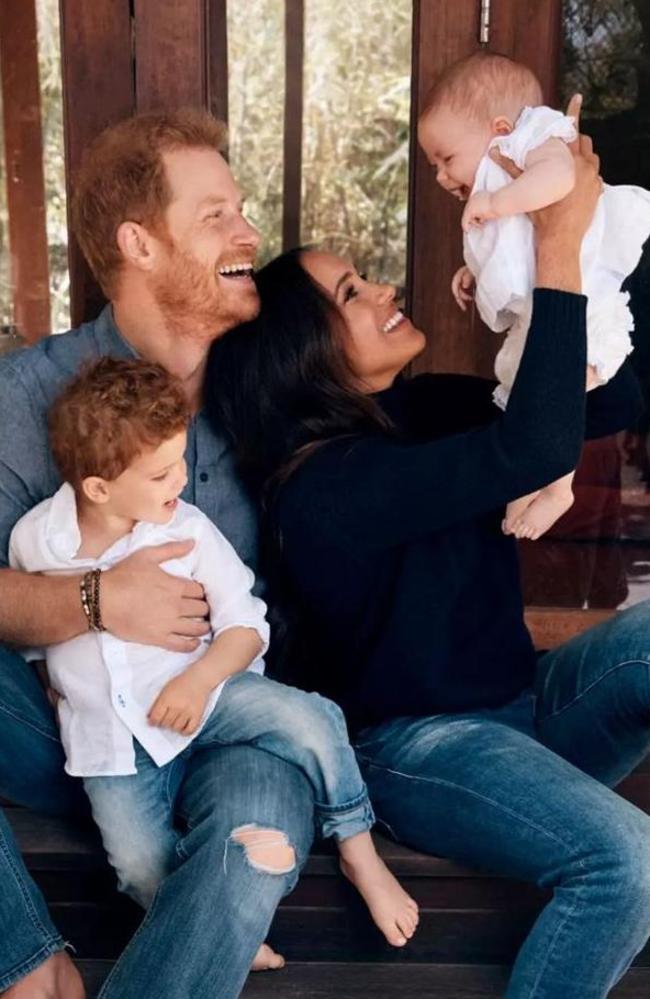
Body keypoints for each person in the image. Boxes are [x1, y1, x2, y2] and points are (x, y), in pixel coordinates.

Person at [205, 134, 650, 999]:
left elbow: (614, 400)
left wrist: (597, 236)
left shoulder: (422, 409)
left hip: (524, 709)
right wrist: (552, 238)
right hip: (420, 749)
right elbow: (531, 445)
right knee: (625, 859)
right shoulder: (323, 486)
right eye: (351, 292)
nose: (384, 291)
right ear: (304, 350)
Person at [0, 108, 315, 999]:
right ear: (138, 243)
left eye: (241, 208)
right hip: (87, 739)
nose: (248, 230)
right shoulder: (26, 397)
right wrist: (97, 601)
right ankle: (27, 965)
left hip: (238, 725)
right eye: (215, 212)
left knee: (254, 848)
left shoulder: (271, 384)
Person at [9, 355, 418, 947]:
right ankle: (208, 928)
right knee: (135, 862)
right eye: (159, 474)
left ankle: (358, 849)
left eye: (180, 461)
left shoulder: (188, 530)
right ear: (98, 487)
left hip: (211, 690)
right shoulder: (36, 540)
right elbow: (34, 630)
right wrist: (50, 678)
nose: (179, 480)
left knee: (313, 719)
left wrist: (198, 682)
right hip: (112, 742)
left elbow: (247, 626)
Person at [417, 52, 650, 541]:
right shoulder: (501, 177)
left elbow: (562, 179)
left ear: (500, 128)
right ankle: (528, 482)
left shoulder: (534, 138)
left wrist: (497, 202)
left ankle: (558, 487)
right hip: (546, 309)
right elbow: (517, 247)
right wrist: (474, 270)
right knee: (527, 399)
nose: (440, 176)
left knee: (556, 399)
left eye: (446, 158)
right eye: (433, 164)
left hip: (584, 304)